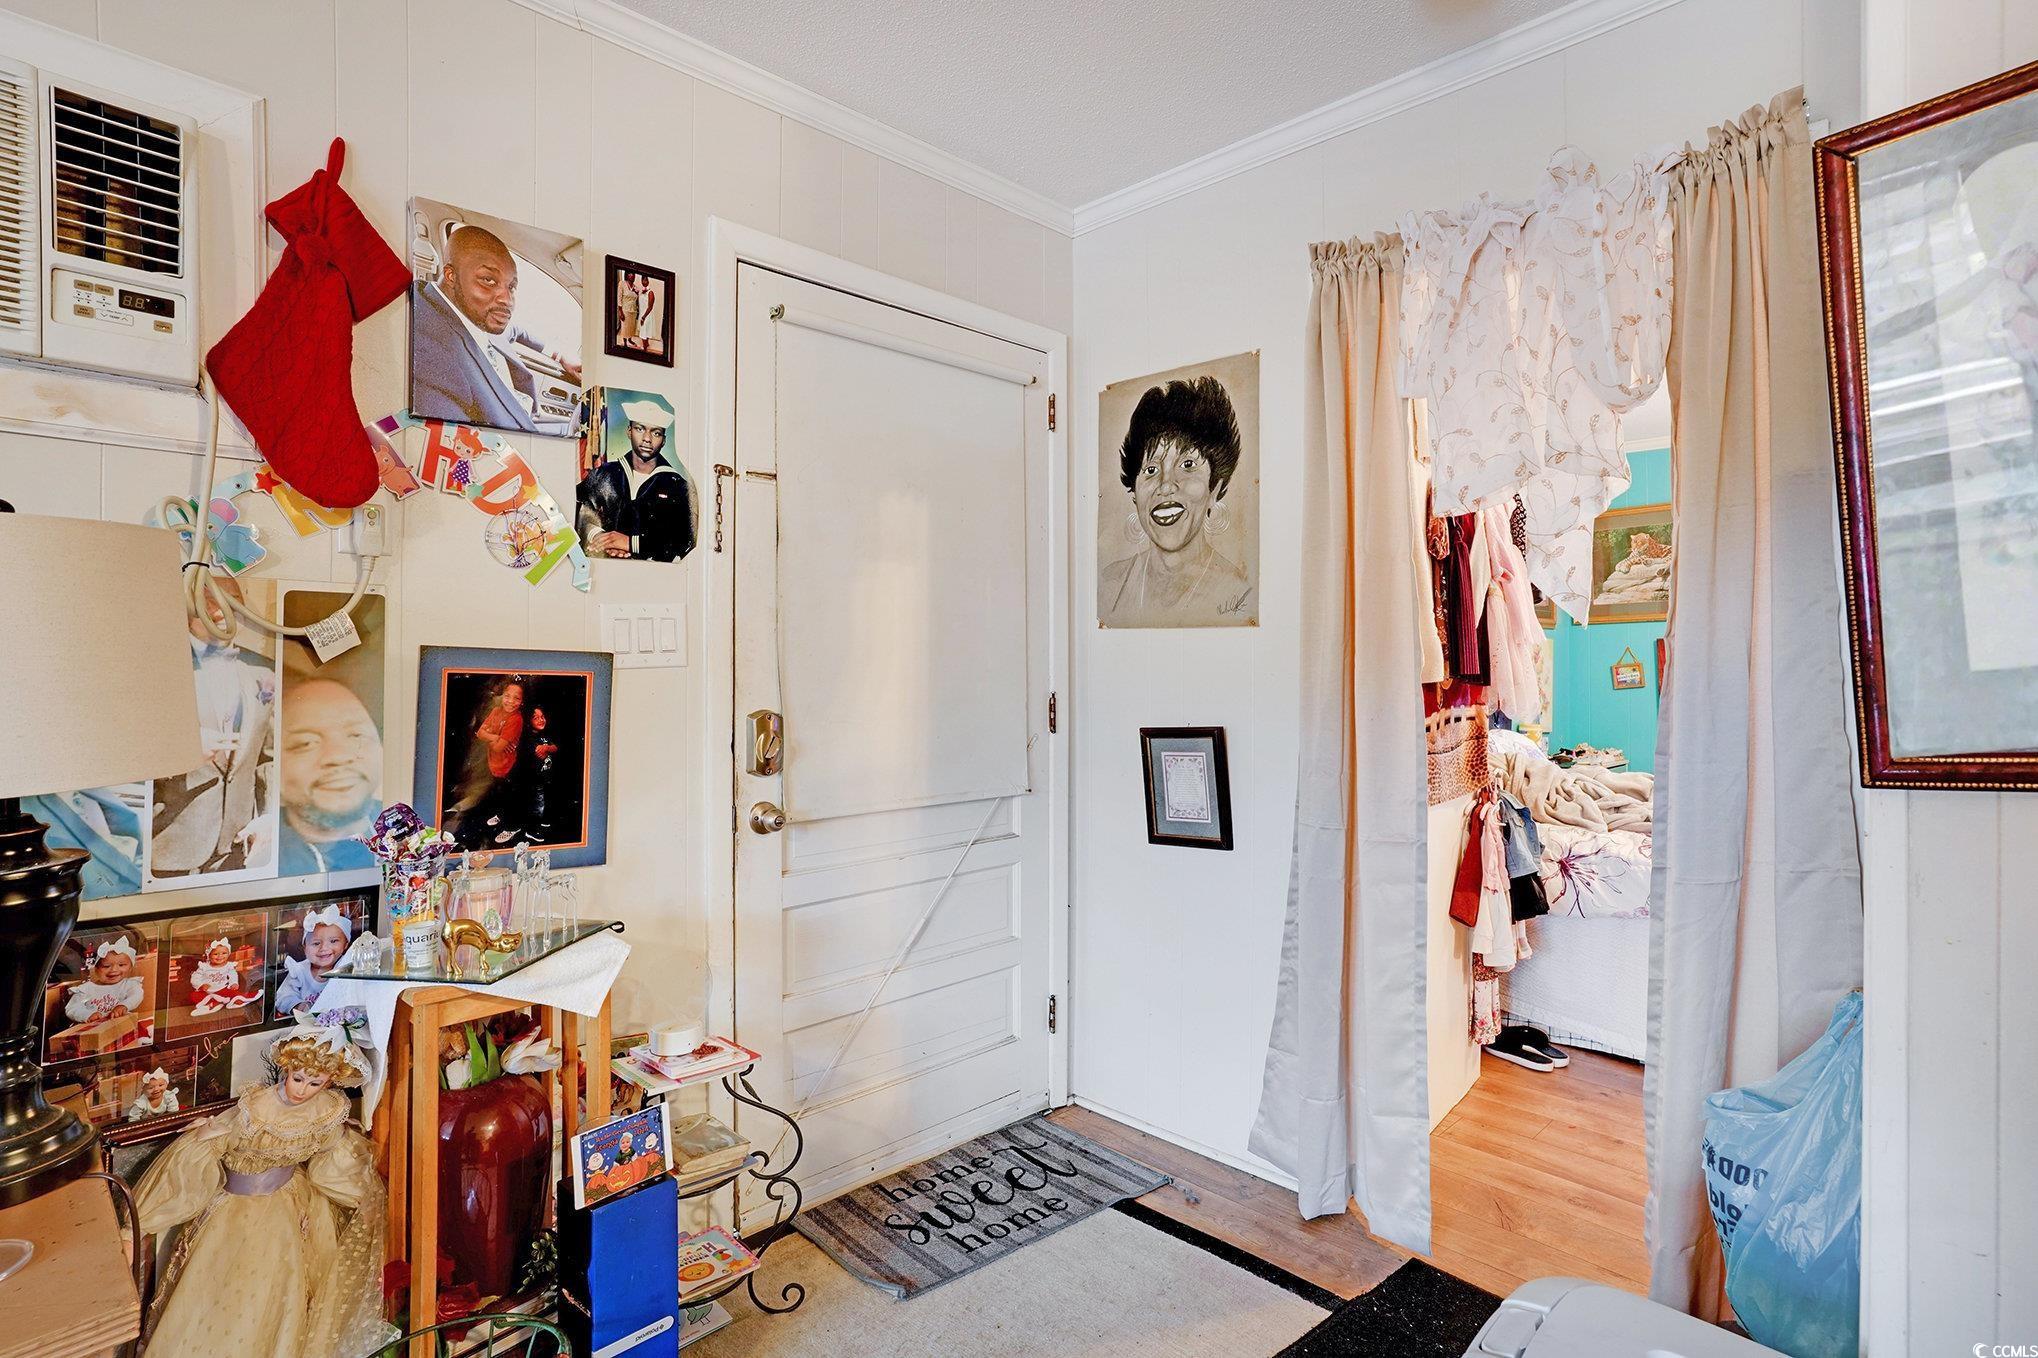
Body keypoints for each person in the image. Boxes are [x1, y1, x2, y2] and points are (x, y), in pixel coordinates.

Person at [133, 1022, 384, 1358]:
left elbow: (333, 1156)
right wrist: (146, 1217)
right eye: (298, 1078)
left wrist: (361, 1195)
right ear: (286, 1068)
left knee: (283, 1291)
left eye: (316, 1083)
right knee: (219, 1292)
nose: (303, 1090)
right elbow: (205, 1150)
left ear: (328, 1082)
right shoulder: (256, 1108)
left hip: (290, 1207)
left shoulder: (325, 1111)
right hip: (237, 1209)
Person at [1099, 376, 1253, 626]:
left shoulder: (1240, 593)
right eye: (1150, 469)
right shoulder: (1110, 583)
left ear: (1215, 489)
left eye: (1187, 465)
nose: (1166, 485)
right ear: (1135, 495)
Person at [152, 574, 275, 877]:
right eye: (207, 599)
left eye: (231, 599)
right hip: (170, 847)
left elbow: (267, 759)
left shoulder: (263, 671)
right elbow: (131, 752)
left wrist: (269, 817)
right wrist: (184, 749)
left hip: (236, 848)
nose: (220, 609)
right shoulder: (158, 667)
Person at [410, 223, 582, 435]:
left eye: (511, 287)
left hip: (526, 417)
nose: (507, 300)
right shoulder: (430, 351)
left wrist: (560, 354)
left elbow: (516, 331)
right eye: (488, 280)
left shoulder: (475, 315)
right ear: (451, 275)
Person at [278, 678, 384, 874]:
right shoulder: (254, 856)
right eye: (306, 743)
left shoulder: (411, 832)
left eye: (356, 735)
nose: (338, 755)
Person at [575, 396, 695, 562]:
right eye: (640, 429)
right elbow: (577, 509)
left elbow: (685, 540)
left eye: (656, 433)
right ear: (629, 431)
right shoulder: (605, 474)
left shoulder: (678, 486)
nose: (647, 438)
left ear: (664, 441)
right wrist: (599, 536)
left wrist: (631, 544)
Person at [276, 906, 356, 1015]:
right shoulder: (299, 970)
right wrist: (298, 1005)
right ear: (305, 947)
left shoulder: (348, 968)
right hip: (305, 1026)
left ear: (346, 944)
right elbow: (283, 996)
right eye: (316, 943)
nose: (324, 948)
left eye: (333, 941)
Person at [64, 937, 144, 1024]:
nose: (114, 970)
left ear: (130, 968)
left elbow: (136, 996)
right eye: (106, 966)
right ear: (96, 969)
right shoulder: (86, 989)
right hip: (94, 1029)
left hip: (120, 1024)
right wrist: (87, 1015)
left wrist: (123, 1005)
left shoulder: (130, 984)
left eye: (121, 965)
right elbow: (72, 1008)